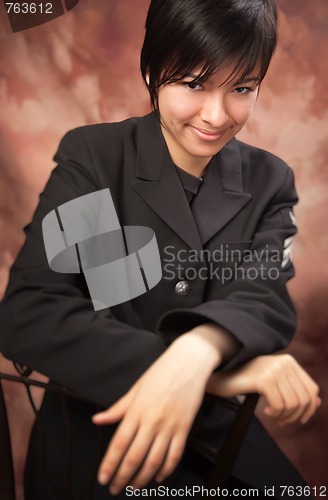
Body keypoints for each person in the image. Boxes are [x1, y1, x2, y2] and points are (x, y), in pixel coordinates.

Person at [0, 0, 321, 498]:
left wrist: (198, 351)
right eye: (194, 84)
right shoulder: (97, 161)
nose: (216, 115)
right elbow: (31, 314)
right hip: (98, 438)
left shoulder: (269, 180)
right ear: (152, 70)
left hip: (220, 441)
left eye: (242, 88)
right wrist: (203, 374)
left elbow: (261, 297)